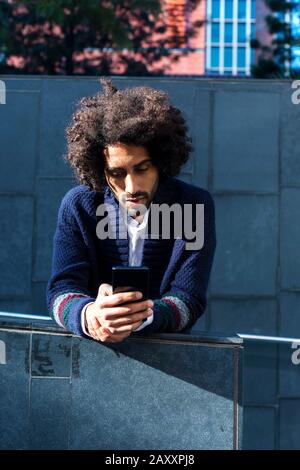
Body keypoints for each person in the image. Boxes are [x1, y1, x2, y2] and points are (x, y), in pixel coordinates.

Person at [46, 78, 216, 343]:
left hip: (170, 362)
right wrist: (89, 314)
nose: (131, 186)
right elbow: (61, 291)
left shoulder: (193, 206)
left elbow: (189, 299)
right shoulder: (79, 206)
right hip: (91, 359)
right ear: (100, 170)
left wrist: (141, 316)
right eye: (117, 173)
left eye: (142, 168)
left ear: (160, 162)